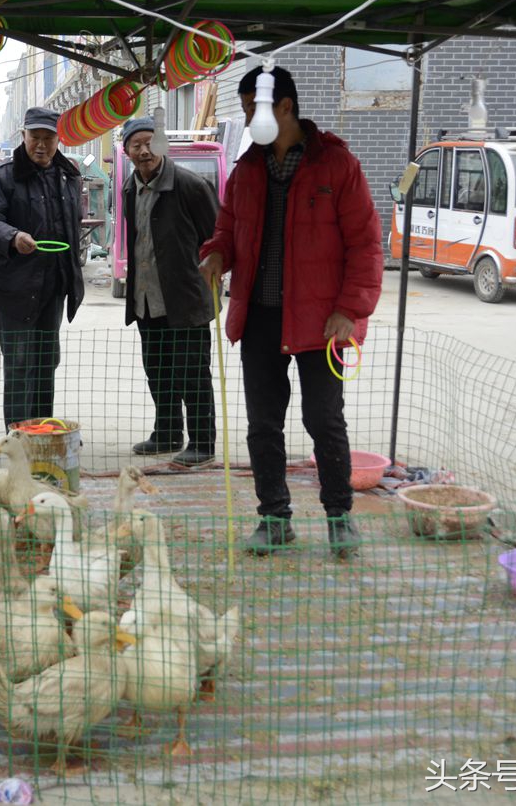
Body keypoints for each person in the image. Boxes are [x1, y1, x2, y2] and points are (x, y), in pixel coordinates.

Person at [198, 66, 383, 558]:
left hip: (323, 321)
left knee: (324, 420)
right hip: (259, 315)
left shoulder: (337, 166)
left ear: (283, 108)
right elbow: (228, 228)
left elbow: (366, 246)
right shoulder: (247, 170)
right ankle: (274, 518)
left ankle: (340, 516)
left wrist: (350, 309)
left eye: (249, 110)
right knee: (263, 423)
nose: (245, 119)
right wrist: (217, 254)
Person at [0, 106, 85, 429]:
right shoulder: (2, 175)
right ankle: (18, 436)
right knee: (20, 363)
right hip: (15, 287)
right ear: (22, 136)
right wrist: (12, 237)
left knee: (47, 361)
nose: (41, 145)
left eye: (48, 138)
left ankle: (42, 431)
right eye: (34, 137)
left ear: (57, 139)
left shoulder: (68, 175)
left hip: (53, 286)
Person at [119, 116, 220, 468]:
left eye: (151, 142)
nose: (145, 150)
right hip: (147, 299)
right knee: (158, 370)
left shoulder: (191, 185)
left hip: (186, 299)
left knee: (192, 373)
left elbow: (217, 237)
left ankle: (202, 442)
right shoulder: (130, 188)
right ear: (126, 150)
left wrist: (214, 276)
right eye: (137, 144)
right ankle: (167, 433)